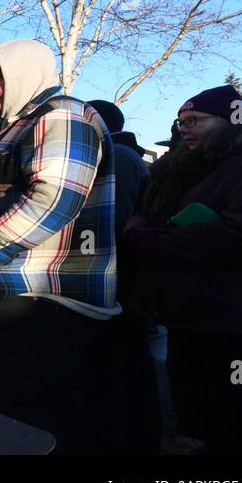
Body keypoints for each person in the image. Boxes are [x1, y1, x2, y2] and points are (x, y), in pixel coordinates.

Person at [0, 40, 118, 454]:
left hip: (40, 299)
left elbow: (55, 197)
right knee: (46, 417)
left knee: (25, 420)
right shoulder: (26, 121)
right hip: (26, 296)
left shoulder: (61, 114)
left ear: (24, 74)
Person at [126, 85, 242, 454]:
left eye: (194, 120)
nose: (184, 129)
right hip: (204, 318)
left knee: (241, 418)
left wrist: (159, 241)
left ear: (229, 121)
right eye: (181, 122)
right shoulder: (200, 167)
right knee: (211, 420)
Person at [87, 98, 159, 454]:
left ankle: (135, 436)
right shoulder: (125, 154)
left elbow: (113, 221)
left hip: (122, 275)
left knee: (127, 358)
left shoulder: (119, 158)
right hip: (125, 273)